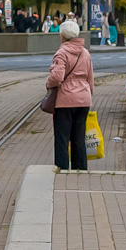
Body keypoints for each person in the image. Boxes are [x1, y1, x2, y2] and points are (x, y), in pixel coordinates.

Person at [47, 19, 95, 171]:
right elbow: (90, 77)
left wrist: (49, 84)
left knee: (62, 137)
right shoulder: (85, 53)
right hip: (83, 99)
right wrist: (88, 95)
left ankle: (61, 167)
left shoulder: (61, 53)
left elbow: (56, 77)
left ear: (62, 36)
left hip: (65, 100)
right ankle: (79, 168)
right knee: (79, 137)